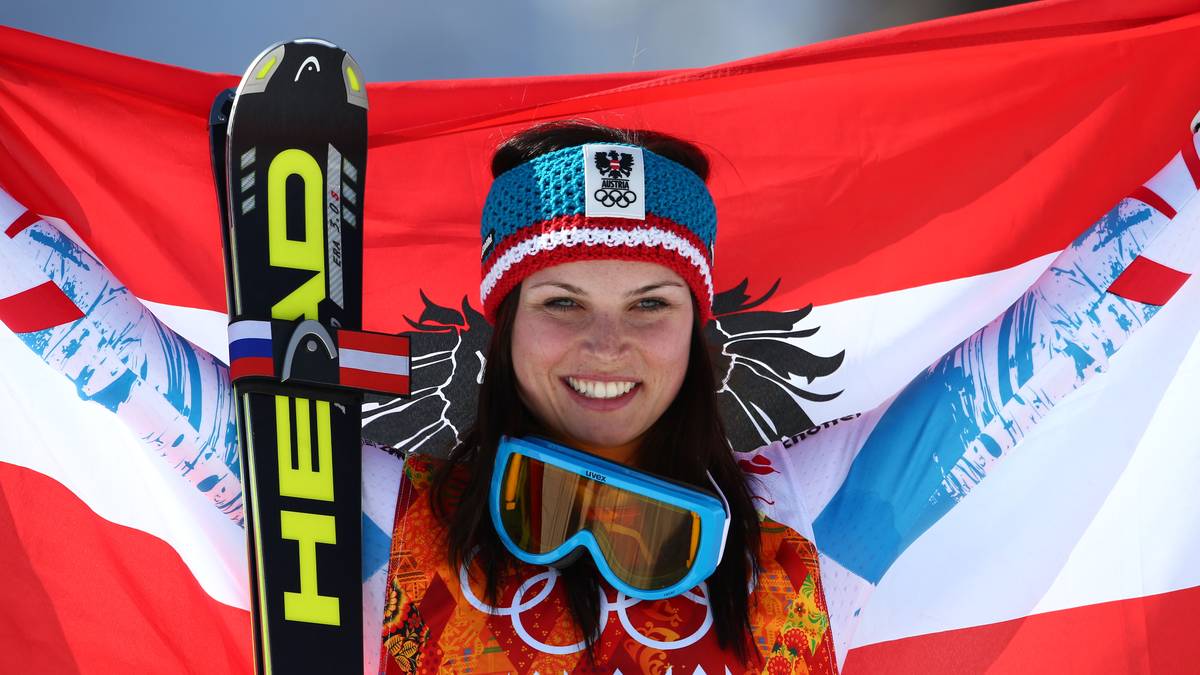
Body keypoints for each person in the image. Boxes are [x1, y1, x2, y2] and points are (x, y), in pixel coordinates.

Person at [376, 118, 1198, 674]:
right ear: (504, 323)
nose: (606, 344)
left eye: (650, 304)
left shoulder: (795, 526)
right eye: (562, 302)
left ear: (695, 327)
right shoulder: (393, 517)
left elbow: (1043, 347)